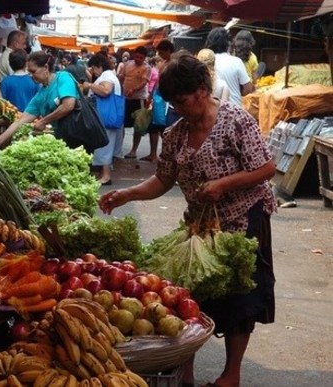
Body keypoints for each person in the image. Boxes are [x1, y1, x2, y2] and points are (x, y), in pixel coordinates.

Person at [99, 54, 276, 387]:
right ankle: (186, 372)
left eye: (181, 102)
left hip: (243, 219)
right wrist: (128, 194)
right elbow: (163, 180)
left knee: (241, 297)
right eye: (172, 104)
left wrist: (223, 184)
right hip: (199, 225)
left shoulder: (236, 120)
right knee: (188, 297)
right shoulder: (176, 133)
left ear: (202, 90)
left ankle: (231, 375)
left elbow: (266, 169)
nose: (177, 109)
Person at [0, 51, 79, 150]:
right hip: (64, 139)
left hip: (79, 135)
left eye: (33, 71)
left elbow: (68, 105)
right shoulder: (40, 95)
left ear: (46, 67)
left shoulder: (63, 77)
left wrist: (43, 121)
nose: (30, 75)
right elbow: (20, 121)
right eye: (29, 72)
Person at [83, 53, 123, 185]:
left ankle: (106, 176)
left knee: (104, 145)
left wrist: (90, 85)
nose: (94, 72)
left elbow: (106, 91)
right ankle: (103, 173)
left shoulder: (106, 76)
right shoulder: (110, 75)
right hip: (109, 116)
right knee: (105, 144)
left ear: (98, 66)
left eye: (93, 68)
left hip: (105, 116)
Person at [205, 27, 255, 106]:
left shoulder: (205, 62)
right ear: (228, 43)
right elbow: (248, 89)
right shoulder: (236, 62)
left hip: (211, 110)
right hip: (233, 110)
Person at [121, 46, 151, 159]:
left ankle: (133, 151)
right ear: (134, 55)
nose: (138, 59)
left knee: (138, 126)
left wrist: (133, 90)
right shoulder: (127, 64)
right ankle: (119, 147)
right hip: (125, 99)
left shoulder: (146, 68)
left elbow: (144, 82)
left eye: (141, 57)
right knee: (122, 124)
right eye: (137, 56)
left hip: (139, 99)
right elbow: (122, 77)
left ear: (144, 58)